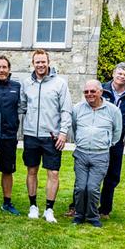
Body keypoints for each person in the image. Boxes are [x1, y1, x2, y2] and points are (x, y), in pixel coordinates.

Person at [66, 62, 125, 219]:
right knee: (83, 175)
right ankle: (76, 206)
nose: (122, 76)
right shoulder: (99, 89)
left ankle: (105, 209)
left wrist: (114, 136)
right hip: (91, 140)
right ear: (113, 74)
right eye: (119, 73)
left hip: (116, 139)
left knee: (112, 175)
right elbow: (82, 112)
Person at [19, 49, 71, 223]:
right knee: (31, 170)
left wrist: (63, 133)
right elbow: (23, 106)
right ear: (33, 63)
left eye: (43, 62)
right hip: (31, 135)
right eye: (37, 62)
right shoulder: (27, 83)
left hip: (52, 136)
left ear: (48, 62)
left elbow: (66, 109)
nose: (40, 65)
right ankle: (33, 206)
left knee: (53, 173)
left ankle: (49, 209)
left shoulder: (60, 83)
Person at [70, 80, 122, 228]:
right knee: (80, 187)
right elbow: (74, 128)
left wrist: (106, 143)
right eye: (86, 92)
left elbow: (117, 132)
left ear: (100, 92)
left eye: (93, 91)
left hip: (100, 155)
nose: (89, 94)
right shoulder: (77, 109)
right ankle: (79, 215)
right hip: (81, 154)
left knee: (92, 188)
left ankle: (92, 217)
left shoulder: (113, 110)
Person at [0, 55, 22, 215]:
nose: (1, 70)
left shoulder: (17, 87)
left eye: (4, 67)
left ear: (9, 69)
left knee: (8, 170)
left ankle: (7, 202)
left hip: (9, 136)